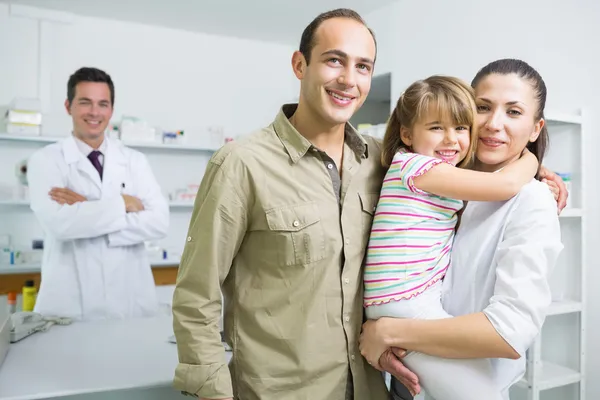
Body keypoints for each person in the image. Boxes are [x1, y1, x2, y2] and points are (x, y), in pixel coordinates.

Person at [171, 8, 390, 400]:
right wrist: (215, 391)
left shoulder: (383, 161)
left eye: (363, 67)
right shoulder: (240, 164)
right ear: (300, 64)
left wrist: (531, 171)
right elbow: (196, 295)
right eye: (334, 60)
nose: (348, 79)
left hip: (369, 387)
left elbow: (457, 165)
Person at [359, 59, 564, 400]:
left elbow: (509, 332)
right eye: (483, 107)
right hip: (407, 380)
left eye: (514, 112)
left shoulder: (531, 199)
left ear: (535, 128)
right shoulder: (445, 181)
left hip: (461, 377)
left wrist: (389, 331)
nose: (494, 124)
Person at [27, 67, 169, 321]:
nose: (94, 112)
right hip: (69, 305)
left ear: (111, 110)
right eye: (85, 102)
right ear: (68, 106)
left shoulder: (135, 161)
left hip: (130, 301)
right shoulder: (45, 161)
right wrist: (123, 203)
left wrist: (87, 206)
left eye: (103, 104)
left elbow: (159, 222)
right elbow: (61, 225)